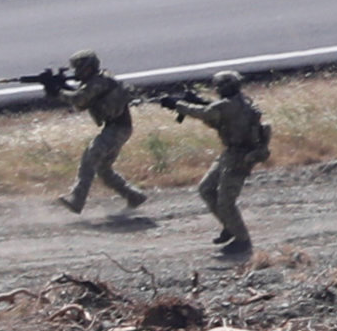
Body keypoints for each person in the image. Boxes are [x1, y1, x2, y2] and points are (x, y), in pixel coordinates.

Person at [168, 71, 272, 254]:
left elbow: (207, 113)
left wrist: (177, 105)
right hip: (230, 153)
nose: (216, 90)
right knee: (206, 189)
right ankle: (229, 225)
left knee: (226, 201)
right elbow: (217, 113)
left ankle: (242, 240)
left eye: (218, 87)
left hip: (240, 157)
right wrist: (198, 101)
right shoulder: (239, 101)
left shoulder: (229, 105)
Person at [43, 51, 147, 214]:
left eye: (79, 68)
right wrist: (60, 88)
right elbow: (81, 103)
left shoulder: (99, 82)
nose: (77, 72)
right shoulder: (96, 81)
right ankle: (134, 196)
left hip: (117, 128)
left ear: (89, 67)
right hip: (118, 128)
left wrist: (57, 91)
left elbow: (79, 100)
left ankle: (77, 200)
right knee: (104, 170)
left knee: (91, 155)